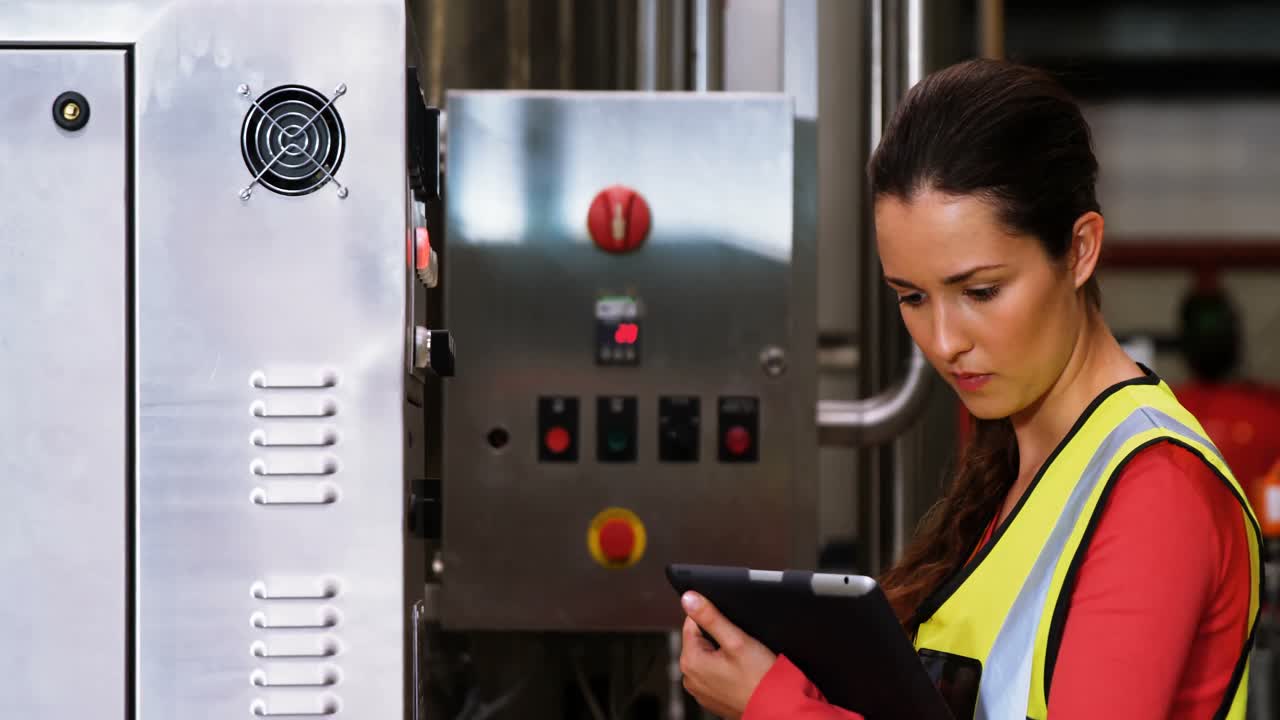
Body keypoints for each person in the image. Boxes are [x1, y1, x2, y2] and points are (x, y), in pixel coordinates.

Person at [676, 59, 1262, 720]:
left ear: (1080, 250)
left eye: (980, 291)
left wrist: (778, 706)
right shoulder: (1025, 467)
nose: (945, 340)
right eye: (912, 297)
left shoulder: (1156, 490)